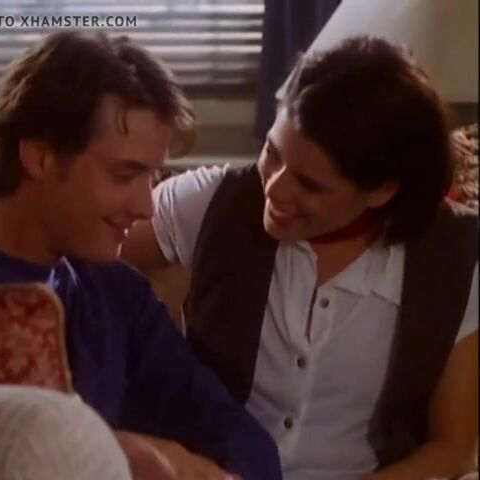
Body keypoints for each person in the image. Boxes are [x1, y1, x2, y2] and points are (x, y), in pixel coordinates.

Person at [0, 31, 282, 480]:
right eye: (124, 175)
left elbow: (240, 438)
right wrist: (108, 451)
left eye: (151, 178)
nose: (146, 207)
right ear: (39, 157)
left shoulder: (115, 294)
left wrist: (188, 466)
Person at [122, 36, 478, 480]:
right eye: (273, 153)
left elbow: (453, 446)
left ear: (381, 191)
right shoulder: (212, 202)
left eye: (310, 184)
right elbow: (74, 249)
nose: (274, 189)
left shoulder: (454, 256)